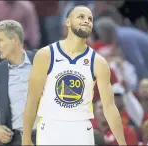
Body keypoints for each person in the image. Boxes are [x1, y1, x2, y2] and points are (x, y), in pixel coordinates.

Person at [22, 5, 126, 145]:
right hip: (51, 130)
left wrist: (122, 142)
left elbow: (110, 107)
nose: (86, 21)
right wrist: (26, 139)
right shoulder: (46, 55)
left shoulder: (98, 62)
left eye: (90, 19)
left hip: (81, 131)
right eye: (81, 17)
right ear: (67, 22)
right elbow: (32, 100)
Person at [0, 20, 37, 145]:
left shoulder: (41, 59)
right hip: (14, 140)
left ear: (14, 39)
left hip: (47, 136)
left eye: (0, 40)